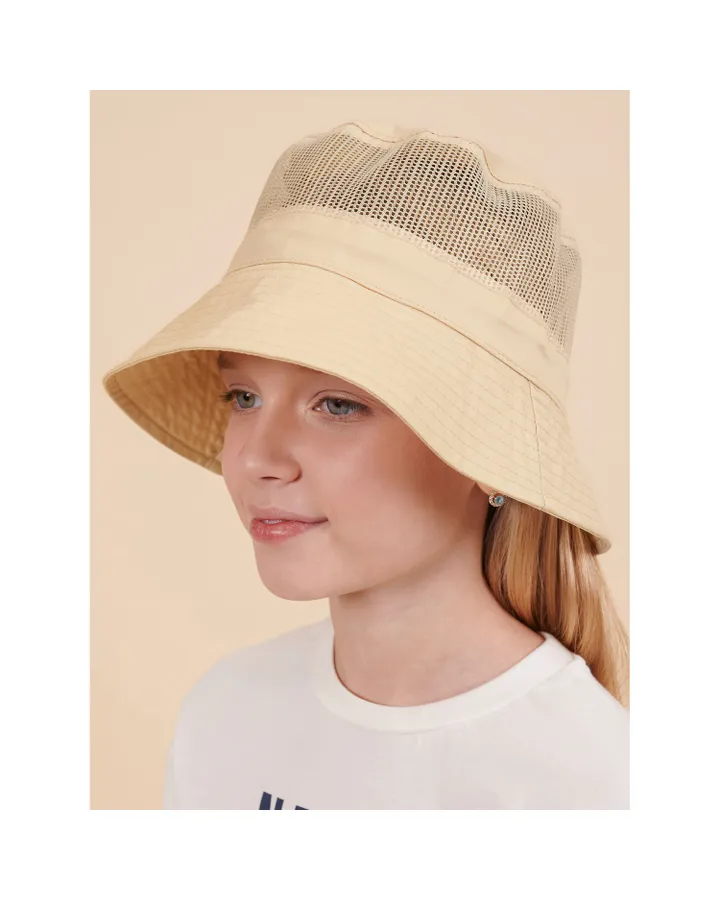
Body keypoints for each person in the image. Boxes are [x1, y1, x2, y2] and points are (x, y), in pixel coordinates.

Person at [103, 119, 629, 810]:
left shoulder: (594, 783)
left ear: (491, 452)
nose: (257, 457)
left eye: (338, 405)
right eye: (243, 396)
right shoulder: (225, 714)